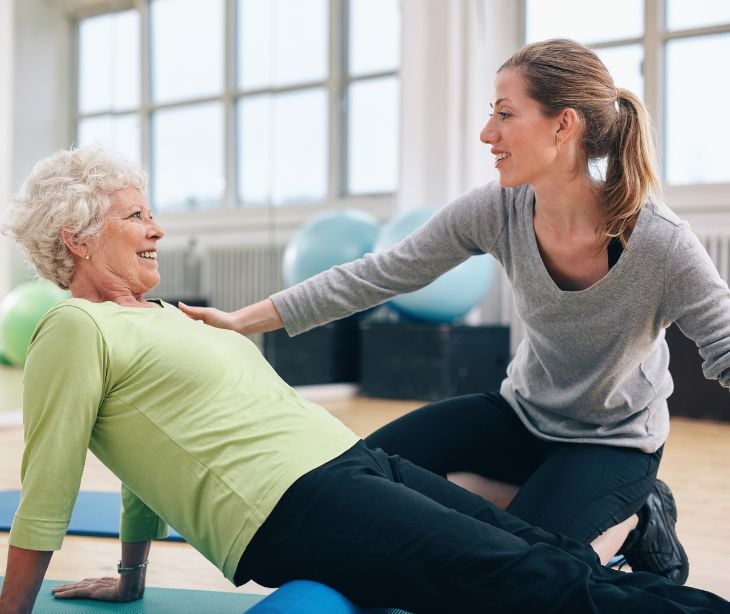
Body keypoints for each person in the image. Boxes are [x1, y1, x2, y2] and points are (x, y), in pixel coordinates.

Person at [1, 151, 729, 614]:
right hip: (290, 507)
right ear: (78, 237)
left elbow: (143, 455)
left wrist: (131, 569)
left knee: (546, 560)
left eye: (152, 212)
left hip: (351, 463)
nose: (156, 229)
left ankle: (646, 542)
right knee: (526, 585)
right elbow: (51, 479)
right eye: (137, 216)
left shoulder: (162, 315)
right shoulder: (74, 329)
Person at [179, 38, 730, 586]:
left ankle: (635, 519)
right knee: (358, 474)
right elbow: (381, 272)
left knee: (520, 570)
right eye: (491, 113)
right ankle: (535, 502)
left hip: (612, 442)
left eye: (505, 115)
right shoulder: (497, 209)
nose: (488, 134)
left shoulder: (658, 242)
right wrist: (239, 321)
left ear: (564, 127)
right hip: (521, 416)